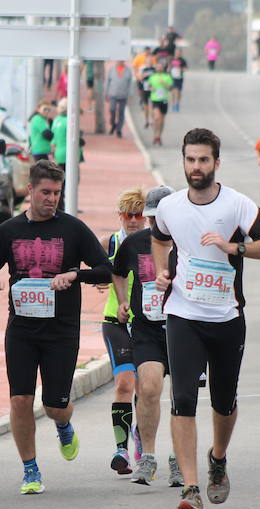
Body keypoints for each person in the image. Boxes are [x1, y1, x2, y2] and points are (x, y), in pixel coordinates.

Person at [151, 128, 260, 509]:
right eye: (190, 159)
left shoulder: (238, 205)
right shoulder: (170, 206)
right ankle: (191, 489)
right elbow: (159, 238)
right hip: (183, 314)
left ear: (216, 163)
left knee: (224, 402)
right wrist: (161, 271)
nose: (196, 166)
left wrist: (234, 246)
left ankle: (218, 458)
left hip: (226, 317)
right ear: (183, 161)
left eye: (203, 160)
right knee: (183, 400)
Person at [0, 160, 112, 495]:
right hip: (21, 330)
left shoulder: (73, 229)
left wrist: (75, 275)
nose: (52, 199)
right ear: (30, 191)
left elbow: (105, 270)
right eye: (46, 192)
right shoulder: (8, 230)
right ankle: (30, 469)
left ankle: (63, 424)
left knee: (54, 405)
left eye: (56, 193)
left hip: (61, 332)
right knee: (20, 400)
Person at [112, 185, 184, 488]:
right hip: (147, 329)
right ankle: (148, 457)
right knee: (150, 388)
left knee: (181, 397)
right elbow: (117, 272)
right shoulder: (135, 242)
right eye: (151, 217)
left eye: (160, 217)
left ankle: (178, 459)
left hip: (183, 327)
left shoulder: (187, 240)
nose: (154, 223)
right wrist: (122, 301)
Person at [97, 188, 147, 474]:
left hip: (146, 323)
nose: (133, 220)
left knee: (145, 387)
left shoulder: (153, 244)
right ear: (120, 216)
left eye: (138, 215)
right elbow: (97, 270)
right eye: (128, 215)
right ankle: (121, 450)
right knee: (124, 384)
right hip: (114, 320)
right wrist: (98, 280)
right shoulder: (110, 243)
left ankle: (140, 433)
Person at [148, 61, 173, 147]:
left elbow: (170, 87)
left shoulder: (167, 76)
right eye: (157, 67)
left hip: (164, 100)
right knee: (157, 118)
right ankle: (156, 135)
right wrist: (151, 88)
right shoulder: (152, 77)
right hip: (155, 99)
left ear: (163, 68)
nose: (159, 68)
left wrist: (164, 84)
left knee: (162, 121)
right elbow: (148, 86)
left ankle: (158, 136)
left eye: (160, 67)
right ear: (156, 68)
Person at [105, 60, 133, 138]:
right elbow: (107, 82)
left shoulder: (128, 70)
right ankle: (113, 124)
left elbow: (130, 84)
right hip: (113, 93)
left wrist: (130, 94)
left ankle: (119, 129)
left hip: (123, 95)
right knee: (112, 109)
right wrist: (106, 93)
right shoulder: (112, 69)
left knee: (121, 112)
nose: (120, 62)